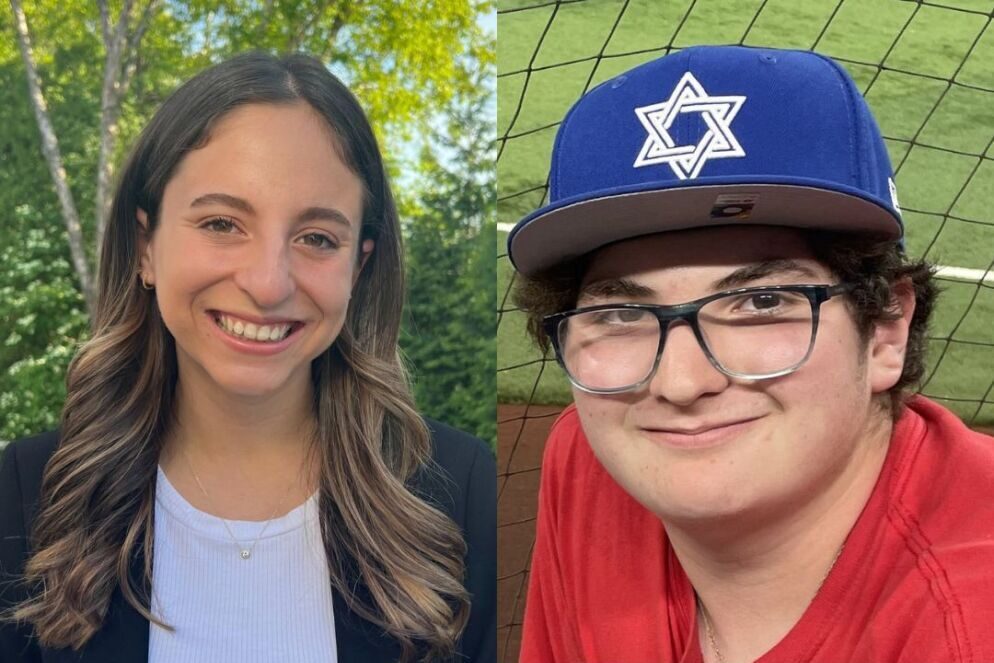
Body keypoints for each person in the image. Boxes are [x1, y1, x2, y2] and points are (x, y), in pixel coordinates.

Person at [0, 52, 495, 663]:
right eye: (222, 223)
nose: (267, 283)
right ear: (145, 247)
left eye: (317, 238)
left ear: (359, 267)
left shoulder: (459, 495)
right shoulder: (27, 497)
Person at [509, 45, 994, 663]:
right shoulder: (590, 461)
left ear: (886, 331)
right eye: (621, 314)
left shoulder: (968, 628)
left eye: (762, 302)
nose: (680, 385)